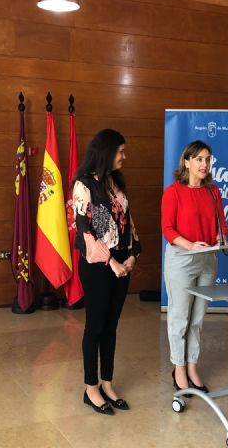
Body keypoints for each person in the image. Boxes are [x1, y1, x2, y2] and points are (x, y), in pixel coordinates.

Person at [72, 128, 142, 415]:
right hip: (98, 266)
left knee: (111, 326)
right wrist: (112, 262)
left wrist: (133, 254)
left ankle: (107, 384)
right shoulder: (83, 185)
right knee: (95, 326)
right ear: (106, 152)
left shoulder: (115, 182)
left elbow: (128, 221)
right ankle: (91, 389)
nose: (124, 156)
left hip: (122, 263)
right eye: (120, 151)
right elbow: (84, 232)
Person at [161, 140, 228, 395]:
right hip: (182, 259)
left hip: (208, 259)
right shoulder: (173, 192)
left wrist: (221, 238)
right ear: (187, 162)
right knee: (180, 317)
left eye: (207, 159)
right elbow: (168, 229)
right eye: (199, 159)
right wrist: (190, 245)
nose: (204, 164)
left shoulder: (213, 191)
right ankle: (178, 368)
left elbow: (222, 223)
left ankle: (192, 366)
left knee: (198, 318)